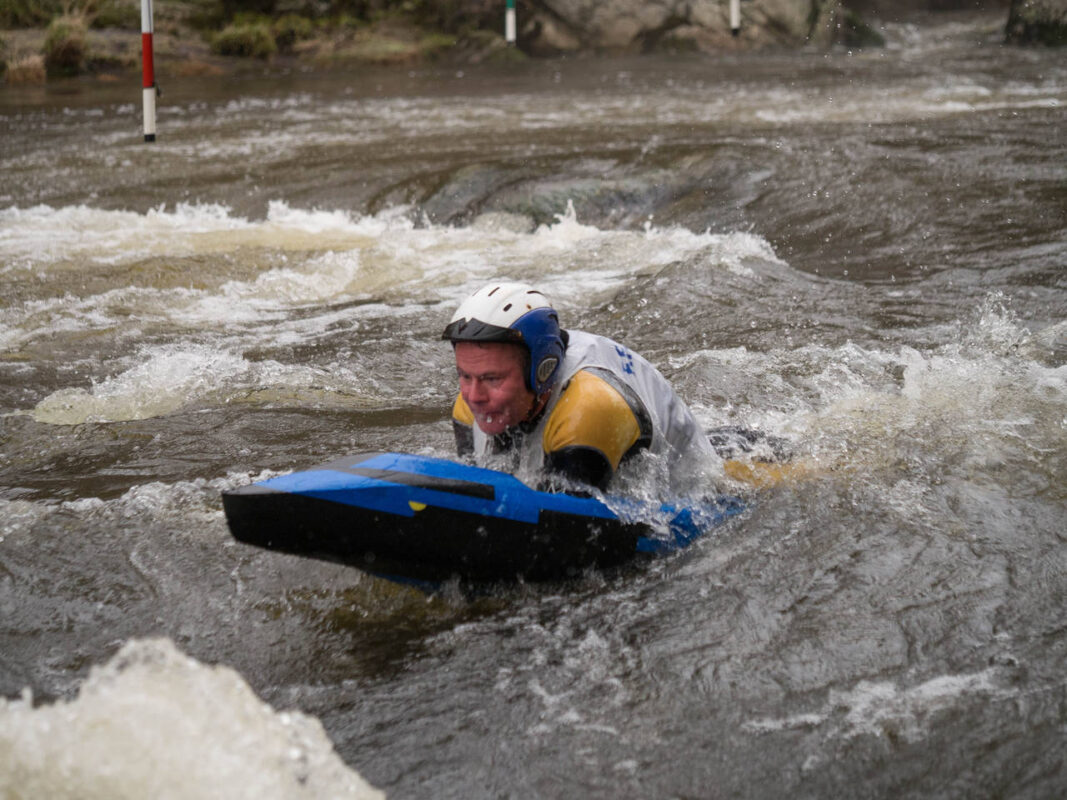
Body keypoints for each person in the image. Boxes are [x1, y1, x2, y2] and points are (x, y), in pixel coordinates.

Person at [441, 282, 722, 495]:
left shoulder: (588, 409)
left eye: (493, 380)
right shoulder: (469, 407)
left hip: (706, 482)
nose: (474, 396)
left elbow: (559, 530)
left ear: (543, 370)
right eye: (465, 376)